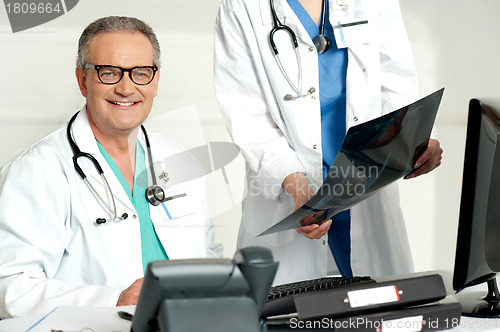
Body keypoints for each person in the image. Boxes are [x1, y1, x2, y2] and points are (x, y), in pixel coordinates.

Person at [0, 16, 222, 319]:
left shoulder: (178, 158)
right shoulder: (39, 170)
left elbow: (207, 255)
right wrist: (113, 301)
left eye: (141, 73)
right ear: (82, 80)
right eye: (109, 73)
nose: (126, 88)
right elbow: (11, 288)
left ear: (155, 82)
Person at [214, 0, 442, 285]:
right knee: (290, 319)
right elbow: (248, 118)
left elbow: (396, 88)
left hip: (366, 194)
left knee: (376, 315)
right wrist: (300, 191)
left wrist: (413, 143)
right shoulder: (243, 6)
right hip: (294, 199)